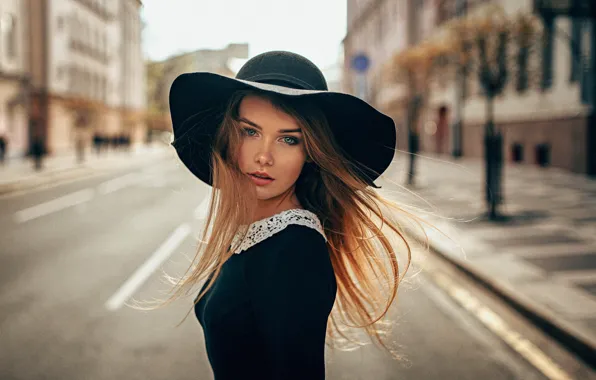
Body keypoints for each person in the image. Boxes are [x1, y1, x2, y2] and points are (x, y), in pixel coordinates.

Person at [140, 51, 428, 379]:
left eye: (288, 139)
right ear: (227, 136)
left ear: (310, 153)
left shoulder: (294, 250)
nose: (264, 156)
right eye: (250, 131)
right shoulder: (257, 232)